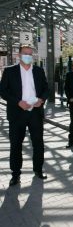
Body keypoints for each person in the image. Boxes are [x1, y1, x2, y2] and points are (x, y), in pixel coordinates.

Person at [0, 45, 49, 186]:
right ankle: (15, 174)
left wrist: (42, 100)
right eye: (25, 54)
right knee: (16, 145)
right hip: (17, 113)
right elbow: (3, 91)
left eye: (30, 54)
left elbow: (46, 88)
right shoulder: (9, 71)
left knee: (38, 143)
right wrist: (17, 102)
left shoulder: (39, 71)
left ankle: (38, 170)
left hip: (35, 112)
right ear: (19, 56)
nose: (28, 56)